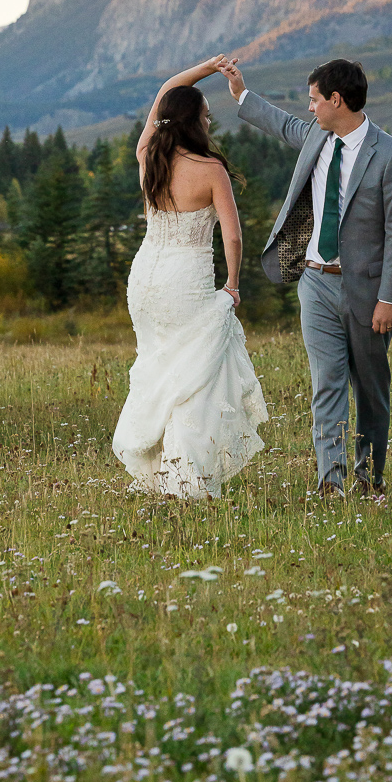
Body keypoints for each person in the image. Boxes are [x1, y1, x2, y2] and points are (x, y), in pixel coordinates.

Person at [218, 56, 392, 499]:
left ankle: (370, 479)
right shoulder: (316, 137)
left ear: (336, 100)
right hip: (314, 282)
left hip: (368, 292)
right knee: (326, 381)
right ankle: (331, 482)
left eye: (314, 100)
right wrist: (240, 93)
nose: (309, 109)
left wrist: (389, 298)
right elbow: (281, 123)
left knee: (370, 389)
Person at [112, 56, 267, 498]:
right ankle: (187, 482)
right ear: (196, 122)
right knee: (192, 375)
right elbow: (233, 237)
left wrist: (204, 68)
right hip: (186, 279)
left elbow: (164, 91)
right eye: (205, 115)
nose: (209, 120)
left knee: (158, 365)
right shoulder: (210, 169)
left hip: (144, 278)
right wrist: (233, 285)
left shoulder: (149, 158)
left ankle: (161, 476)